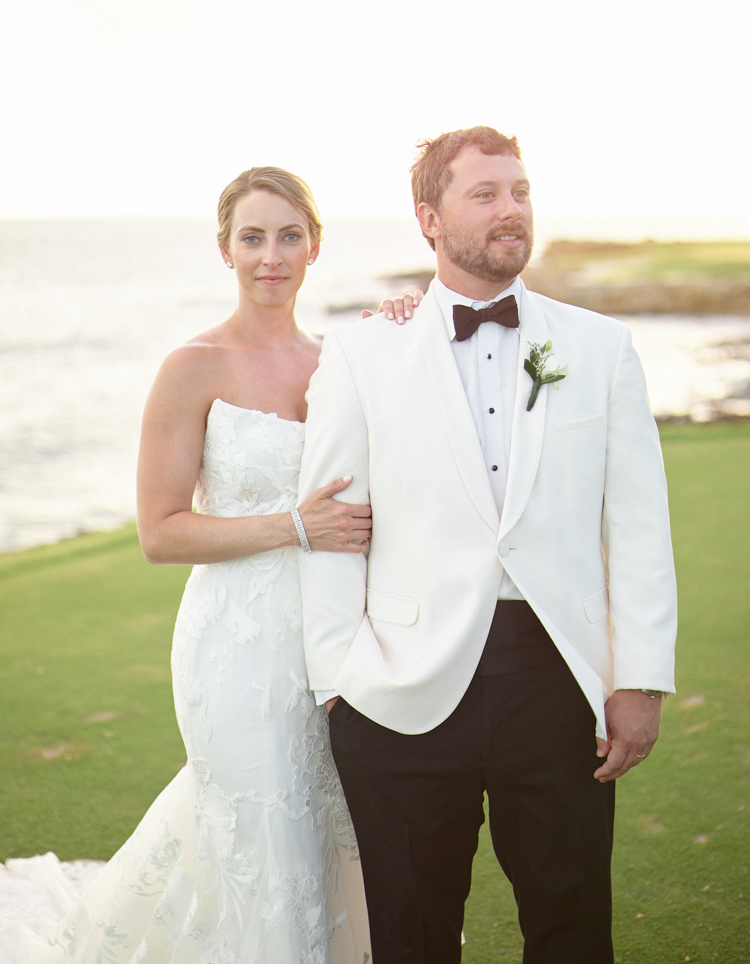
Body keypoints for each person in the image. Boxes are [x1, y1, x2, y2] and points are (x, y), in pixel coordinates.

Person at [0, 167, 417, 963]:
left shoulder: (343, 359)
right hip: (233, 645)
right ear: (224, 250)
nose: (271, 255)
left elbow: (407, 432)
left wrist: (402, 323)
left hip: (330, 646)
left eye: (288, 236)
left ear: (315, 246)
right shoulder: (191, 366)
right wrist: (294, 525)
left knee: (323, 831)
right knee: (262, 828)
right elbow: (160, 532)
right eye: (252, 237)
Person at [297, 126, 678, 963]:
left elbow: (639, 525)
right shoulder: (363, 352)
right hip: (400, 688)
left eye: (521, 191)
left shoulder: (600, 348)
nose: (512, 210)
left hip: (556, 680)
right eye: (486, 194)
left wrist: (641, 678)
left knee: (572, 925)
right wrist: (339, 680)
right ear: (428, 219)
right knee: (413, 934)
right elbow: (330, 520)